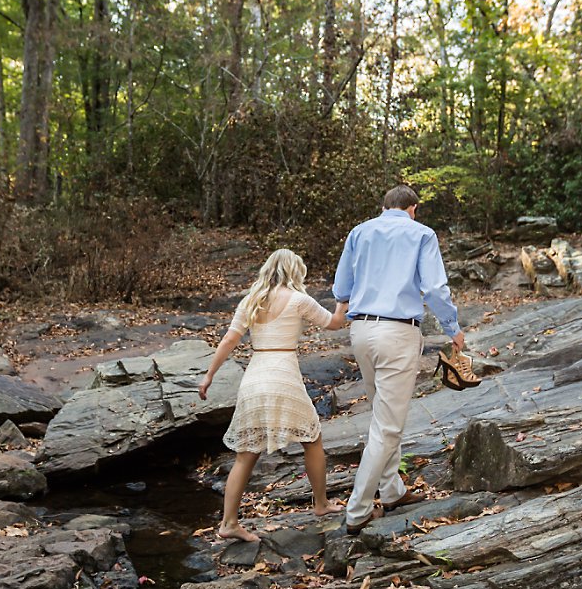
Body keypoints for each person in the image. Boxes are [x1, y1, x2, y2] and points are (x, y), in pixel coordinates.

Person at [332, 184, 464, 535]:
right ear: (413, 208)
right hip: (397, 333)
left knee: (382, 416)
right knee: (388, 425)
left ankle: (392, 491)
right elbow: (435, 289)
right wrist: (452, 327)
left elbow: (342, 288)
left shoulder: (359, 232)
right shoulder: (421, 234)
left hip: (360, 331)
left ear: (383, 206)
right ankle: (358, 509)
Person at [199, 248, 348, 543]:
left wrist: (209, 375)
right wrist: (344, 302)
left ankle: (228, 522)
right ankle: (321, 504)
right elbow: (333, 323)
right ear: (295, 271)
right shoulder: (299, 300)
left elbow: (230, 339)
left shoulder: (250, 300)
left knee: (245, 454)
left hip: (254, 377)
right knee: (312, 438)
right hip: (283, 376)